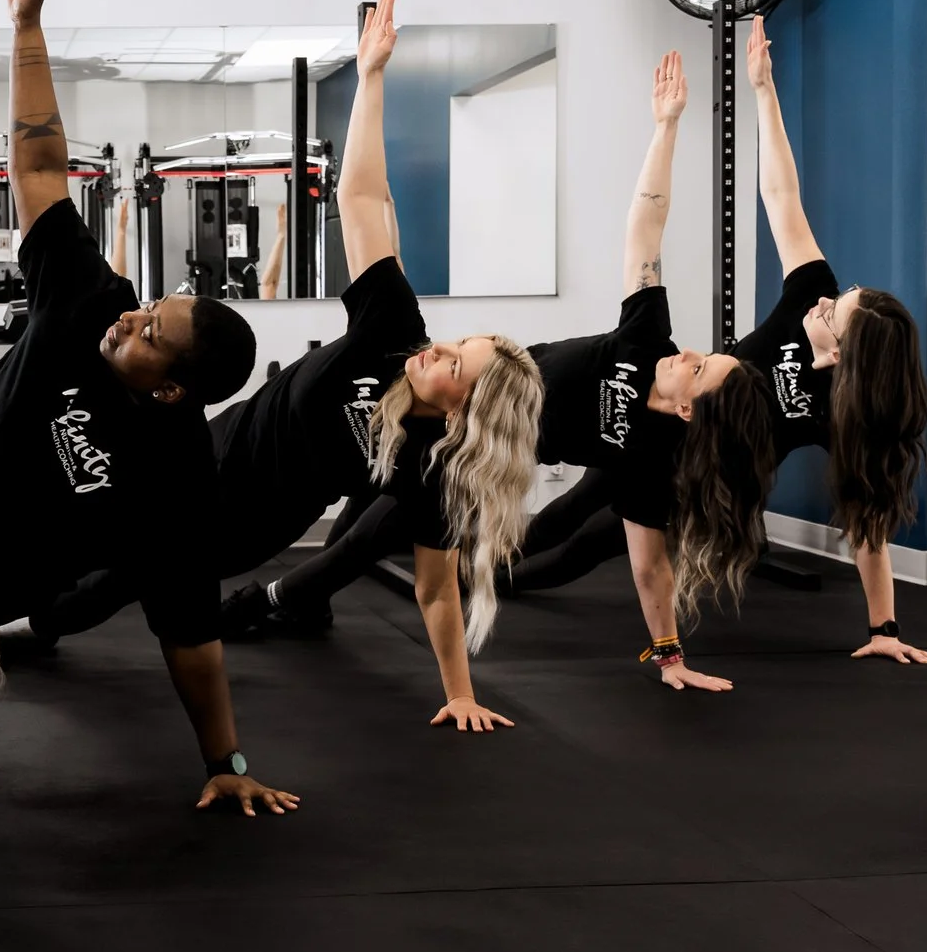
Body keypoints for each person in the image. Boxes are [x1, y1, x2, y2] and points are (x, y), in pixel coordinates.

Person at [41, 0, 546, 728]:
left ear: (461, 408)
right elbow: (362, 193)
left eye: (454, 367)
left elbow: (436, 591)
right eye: (455, 343)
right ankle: (4, 601)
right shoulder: (395, 331)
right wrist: (371, 76)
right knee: (80, 523)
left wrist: (460, 692)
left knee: (116, 579)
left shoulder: (428, 470)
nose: (437, 350)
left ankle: (20, 631)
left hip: (237, 525)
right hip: (207, 444)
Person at [0, 0, 293, 814]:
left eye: (151, 330)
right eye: (150, 304)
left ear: (171, 388)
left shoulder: (177, 482)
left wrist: (229, 762)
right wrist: (27, 28)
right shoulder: (92, 299)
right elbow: (44, 167)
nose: (133, 315)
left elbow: (192, 638)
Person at [251, 51, 734, 691]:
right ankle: (295, 598)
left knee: (401, 531)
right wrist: (666, 126)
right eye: (702, 352)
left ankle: (270, 601)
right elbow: (646, 223)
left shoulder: (649, 463)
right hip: (466, 399)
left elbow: (650, 569)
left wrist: (670, 657)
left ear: (687, 409)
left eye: (698, 369)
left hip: (482, 445)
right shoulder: (648, 336)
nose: (688, 354)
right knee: (367, 515)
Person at [671, 18, 927, 665]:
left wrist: (886, 630)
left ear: (842, 356)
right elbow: (780, 194)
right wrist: (763, 90)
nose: (822, 300)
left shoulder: (844, 414)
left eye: (833, 313)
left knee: (625, 532)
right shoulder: (809, 290)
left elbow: (869, 524)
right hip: (681, 407)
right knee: (585, 519)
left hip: (726, 469)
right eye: (838, 295)